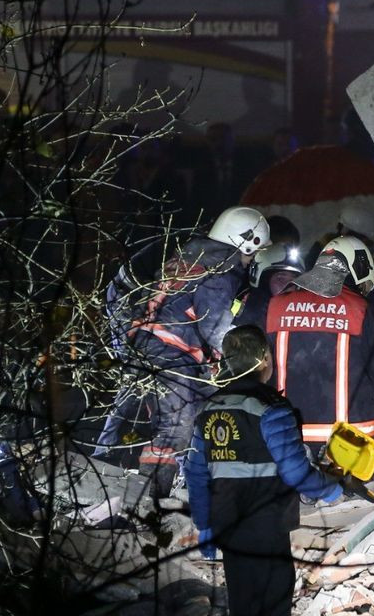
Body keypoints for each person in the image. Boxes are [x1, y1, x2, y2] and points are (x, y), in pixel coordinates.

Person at [182, 325, 343, 616]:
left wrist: (204, 526)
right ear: (265, 362)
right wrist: (331, 489)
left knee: (243, 610)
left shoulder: (209, 410)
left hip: (230, 527)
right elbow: (294, 471)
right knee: (271, 610)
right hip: (266, 525)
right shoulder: (271, 409)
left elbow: (196, 474)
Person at [94, 207, 269, 495]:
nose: (251, 260)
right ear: (246, 242)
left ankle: (97, 470)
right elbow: (213, 322)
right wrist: (236, 357)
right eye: (253, 252)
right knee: (174, 428)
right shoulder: (223, 266)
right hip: (171, 355)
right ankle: (154, 497)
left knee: (121, 414)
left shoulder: (193, 254)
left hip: (143, 346)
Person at [265, 237, 374, 457]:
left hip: (288, 445)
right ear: (360, 268)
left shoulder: (275, 306)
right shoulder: (363, 311)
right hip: (354, 446)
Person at [232, 244, 303, 330]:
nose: (290, 288)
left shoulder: (297, 319)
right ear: (262, 280)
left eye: (294, 282)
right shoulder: (241, 315)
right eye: (281, 279)